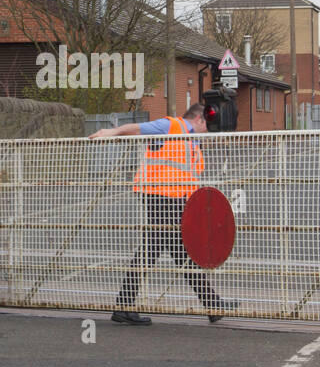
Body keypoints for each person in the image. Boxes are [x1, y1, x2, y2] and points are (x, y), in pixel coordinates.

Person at [89, 103, 238, 325]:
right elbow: (139, 128)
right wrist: (110, 131)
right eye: (207, 125)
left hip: (175, 198)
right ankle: (123, 306)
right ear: (199, 119)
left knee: (178, 251)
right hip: (160, 195)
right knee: (156, 248)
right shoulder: (170, 125)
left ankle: (212, 304)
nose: (207, 130)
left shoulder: (190, 139)